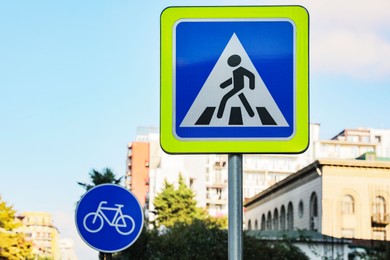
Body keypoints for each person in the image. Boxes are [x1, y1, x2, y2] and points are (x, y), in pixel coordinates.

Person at [217, 54, 255, 119]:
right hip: (237, 88)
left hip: (239, 88)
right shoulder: (235, 71)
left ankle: (219, 115)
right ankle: (252, 114)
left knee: (225, 98)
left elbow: (251, 75)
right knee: (243, 99)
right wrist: (223, 85)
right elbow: (234, 79)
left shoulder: (241, 69)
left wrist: (251, 86)